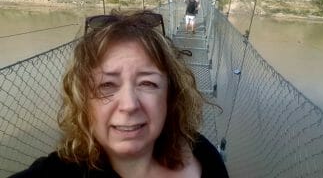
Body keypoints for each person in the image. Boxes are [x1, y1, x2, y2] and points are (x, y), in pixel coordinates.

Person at [9, 10, 229, 178]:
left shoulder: (203, 153)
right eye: (107, 85)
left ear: (170, 96)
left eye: (148, 83)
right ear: (83, 100)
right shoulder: (57, 172)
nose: (129, 104)